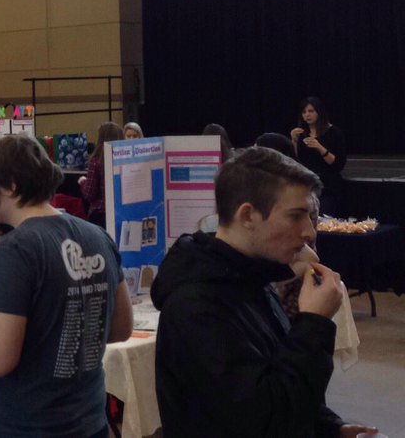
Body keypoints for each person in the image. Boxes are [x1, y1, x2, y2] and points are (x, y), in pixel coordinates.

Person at [151, 147, 375, 438]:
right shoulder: (195, 307)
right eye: (296, 216)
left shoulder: (250, 278)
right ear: (248, 215)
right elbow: (265, 420)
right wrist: (313, 326)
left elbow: (278, 374)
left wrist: (330, 427)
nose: (309, 232)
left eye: (309, 217)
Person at [0, 135, 132, 438]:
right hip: (87, 421)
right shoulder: (97, 237)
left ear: (10, 187)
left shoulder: (13, 251)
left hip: (26, 425)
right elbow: (121, 328)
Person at [292, 96, 347, 217]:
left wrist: (320, 147)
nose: (307, 115)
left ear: (319, 112)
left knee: (323, 220)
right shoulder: (303, 133)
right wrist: (294, 141)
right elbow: (299, 162)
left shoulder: (334, 132)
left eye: (311, 111)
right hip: (308, 186)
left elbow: (338, 164)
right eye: (304, 112)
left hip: (327, 187)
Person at [79, 121, 124, 228]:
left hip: (100, 214)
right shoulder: (125, 160)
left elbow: (90, 194)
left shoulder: (96, 161)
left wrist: (83, 182)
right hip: (121, 212)